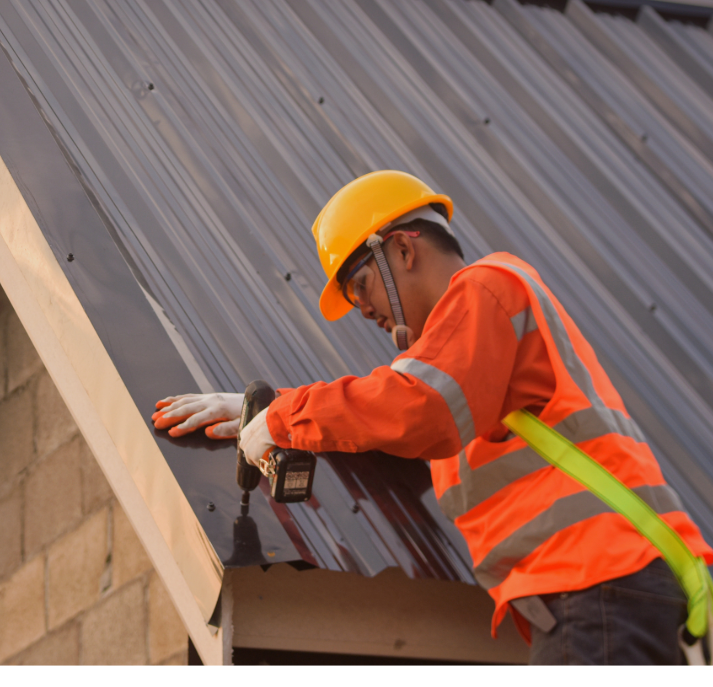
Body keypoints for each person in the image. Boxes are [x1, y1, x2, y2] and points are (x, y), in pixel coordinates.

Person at [153, 170, 712, 665]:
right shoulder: (470, 359)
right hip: (599, 583)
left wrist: (282, 418)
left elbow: (417, 407)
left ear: (402, 249)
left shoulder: (488, 287)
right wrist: (265, 408)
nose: (361, 308)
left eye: (360, 284)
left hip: (597, 577)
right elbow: (396, 411)